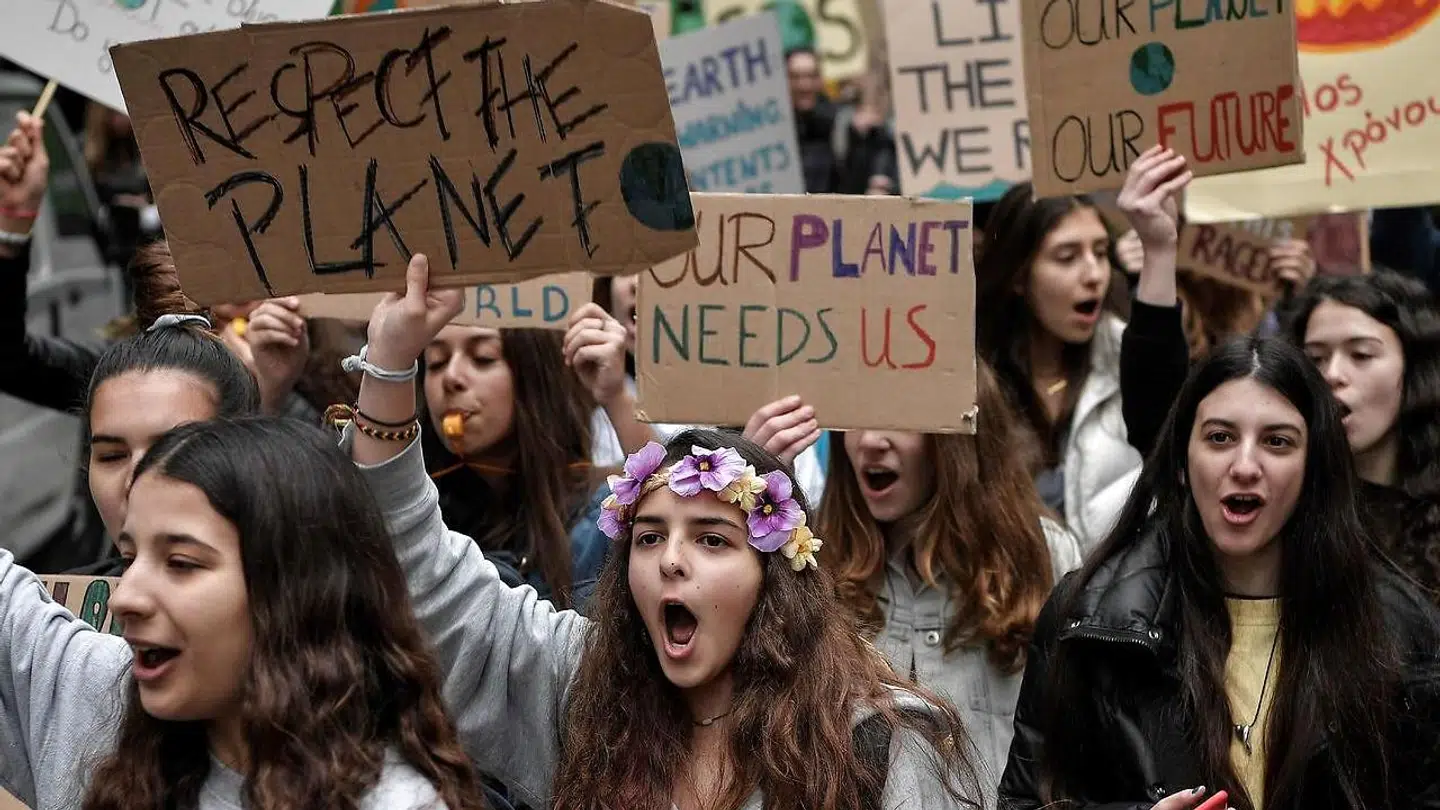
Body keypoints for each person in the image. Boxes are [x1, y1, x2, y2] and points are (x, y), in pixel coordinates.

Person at [345, 254, 984, 810]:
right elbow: (422, 575)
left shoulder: (878, 743)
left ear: (774, 574)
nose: (671, 559)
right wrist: (391, 363)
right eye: (648, 537)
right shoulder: (582, 694)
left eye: (712, 539)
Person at [1000, 335, 1440, 810]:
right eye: (1220, 438)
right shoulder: (1089, 621)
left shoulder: (1400, 630)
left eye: (1277, 442)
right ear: (1183, 462)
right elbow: (1026, 801)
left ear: (1313, 468)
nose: (1245, 466)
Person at [0, 417, 483, 810]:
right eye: (129, 558)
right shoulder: (138, 760)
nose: (125, 598)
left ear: (293, 591)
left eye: (180, 563)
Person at [1117, 148, 1440, 604]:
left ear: (1416, 371)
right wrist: (1158, 253)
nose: (1333, 375)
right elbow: (1158, 419)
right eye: (1315, 357)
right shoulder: (1275, 506)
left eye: (1361, 355)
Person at [816, 360, 1083, 789]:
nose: (869, 441)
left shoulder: (1043, 555)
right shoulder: (815, 559)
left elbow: (1082, 742)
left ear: (959, 435)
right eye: (856, 415)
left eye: (900, 416)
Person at [409, 305, 626, 610]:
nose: (451, 377)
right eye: (436, 362)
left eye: (483, 358)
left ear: (535, 374)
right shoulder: (416, 518)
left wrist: (616, 396)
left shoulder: (605, 513)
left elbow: (673, 491)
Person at [976, 181, 1151, 549]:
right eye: (1067, 257)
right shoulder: (973, 382)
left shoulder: (1131, 360)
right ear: (1019, 276)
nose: (1094, 274)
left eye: (1101, 252)